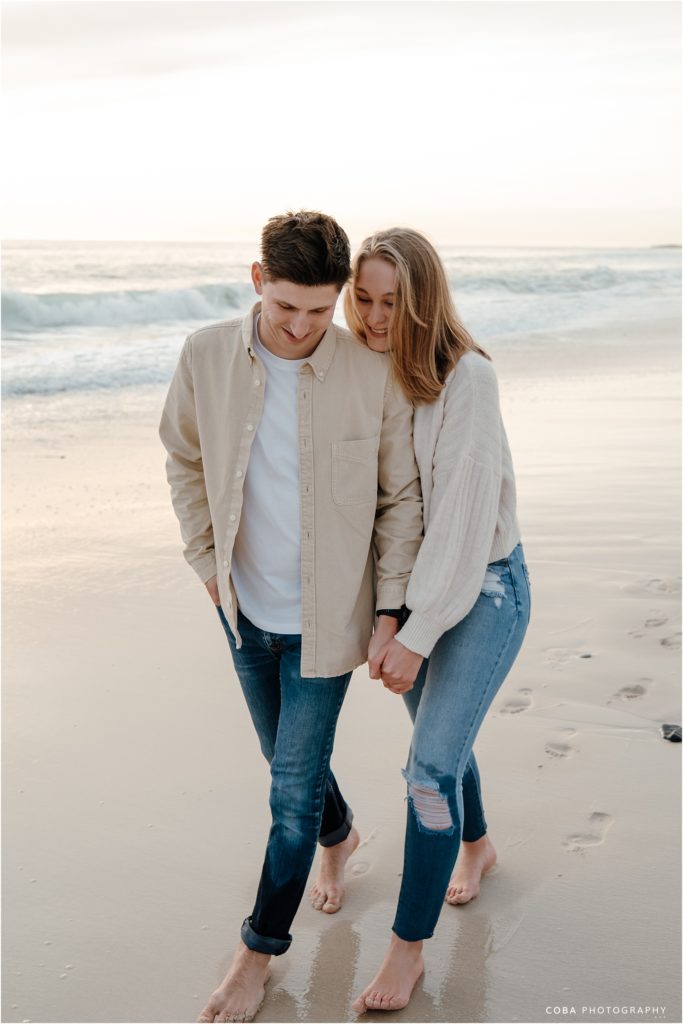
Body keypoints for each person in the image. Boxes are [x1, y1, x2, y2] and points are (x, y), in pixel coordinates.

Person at [158, 211, 423, 1024]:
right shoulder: (205, 354)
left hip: (325, 621)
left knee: (288, 793)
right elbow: (182, 453)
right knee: (286, 764)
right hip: (239, 608)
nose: (303, 326)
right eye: (285, 308)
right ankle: (338, 838)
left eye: (319, 309)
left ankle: (256, 955)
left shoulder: (366, 372)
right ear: (255, 283)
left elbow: (398, 499)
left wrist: (388, 612)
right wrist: (206, 565)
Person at [343, 228, 531, 1013]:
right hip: (418, 594)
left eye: (393, 303)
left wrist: (416, 638)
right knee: (440, 747)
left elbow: (456, 527)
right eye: (364, 299)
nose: (376, 317)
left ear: (423, 302)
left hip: (483, 589)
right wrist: (389, 618)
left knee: (425, 773)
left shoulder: (468, 379)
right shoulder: (368, 371)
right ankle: (478, 846)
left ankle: (406, 951)